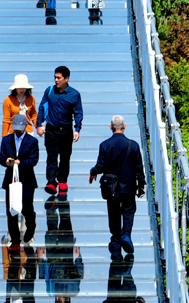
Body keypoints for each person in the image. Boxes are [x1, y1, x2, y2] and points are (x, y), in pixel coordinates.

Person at [88, 115, 145, 259]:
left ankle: (115, 241)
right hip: (129, 186)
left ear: (110, 127)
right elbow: (139, 168)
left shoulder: (105, 145)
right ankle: (126, 234)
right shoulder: (133, 145)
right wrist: (141, 185)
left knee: (113, 213)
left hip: (111, 188)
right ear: (124, 126)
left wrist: (93, 172)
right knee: (128, 211)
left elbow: (101, 165)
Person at [36, 66, 83, 195]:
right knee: (51, 156)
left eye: (59, 78)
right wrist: (39, 124)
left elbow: (78, 112)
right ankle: (51, 182)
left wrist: (77, 129)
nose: (56, 80)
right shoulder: (50, 91)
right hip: (52, 129)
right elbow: (42, 107)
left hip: (66, 129)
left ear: (66, 78)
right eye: (55, 77)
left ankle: (62, 180)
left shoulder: (74, 94)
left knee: (65, 156)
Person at [0, 114, 40, 250]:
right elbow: (1, 158)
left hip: (27, 180)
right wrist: (7, 162)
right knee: (11, 210)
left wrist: (20, 162)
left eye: (20, 129)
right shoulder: (6, 140)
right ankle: (15, 240)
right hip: (10, 180)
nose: (17, 131)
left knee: (27, 208)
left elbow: (33, 160)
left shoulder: (32, 142)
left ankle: (31, 225)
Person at [37, 195, 84, 302]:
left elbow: (44, 275)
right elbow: (79, 274)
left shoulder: (51, 292)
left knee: (51, 227)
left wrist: (40, 258)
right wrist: (78, 258)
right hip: (67, 254)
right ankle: (63, 199)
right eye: (60, 300)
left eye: (57, 300)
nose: (58, 298)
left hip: (52, 255)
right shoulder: (74, 291)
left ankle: (51, 207)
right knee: (66, 223)